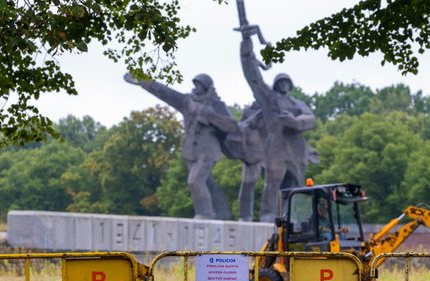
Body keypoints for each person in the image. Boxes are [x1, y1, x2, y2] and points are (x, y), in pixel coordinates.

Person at [124, 73, 239, 220]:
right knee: (207, 183)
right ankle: (222, 213)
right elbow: (166, 93)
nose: (195, 87)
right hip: (191, 150)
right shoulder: (187, 101)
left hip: (208, 150)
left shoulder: (216, 105)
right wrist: (143, 81)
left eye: (199, 84)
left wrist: (211, 117)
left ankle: (205, 214)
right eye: (195, 83)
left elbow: (232, 126)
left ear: (206, 87)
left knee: (195, 180)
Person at [239, 26, 317, 222]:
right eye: (280, 81)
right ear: (276, 85)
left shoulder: (298, 104)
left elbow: (311, 119)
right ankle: (267, 215)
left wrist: (294, 121)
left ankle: (295, 218)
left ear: (290, 85)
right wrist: (246, 47)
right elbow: (253, 78)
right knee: (273, 181)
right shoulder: (269, 99)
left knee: (296, 184)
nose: (283, 84)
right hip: (276, 145)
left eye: (286, 82)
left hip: (296, 147)